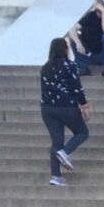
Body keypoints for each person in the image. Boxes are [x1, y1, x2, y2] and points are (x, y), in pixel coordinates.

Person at [39, 35, 89, 184]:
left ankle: (55, 175)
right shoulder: (69, 65)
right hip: (66, 106)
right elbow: (76, 87)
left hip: (47, 108)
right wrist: (84, 104)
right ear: (65, 49)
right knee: (82, 132)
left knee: (56, 141)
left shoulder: (45, 68)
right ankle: (65, 152)